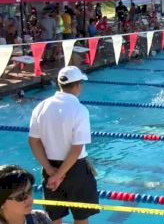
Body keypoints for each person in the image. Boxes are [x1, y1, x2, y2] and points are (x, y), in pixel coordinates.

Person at [28, 66, 99, 224]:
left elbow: (33, 141)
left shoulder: (41, 107)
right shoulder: (79, 110)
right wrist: (60, 175)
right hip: (75, 169)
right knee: (81, 218)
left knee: (54, 218)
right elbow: (76, 148)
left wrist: (50, 171)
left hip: (50, 168)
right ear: (78, 85)